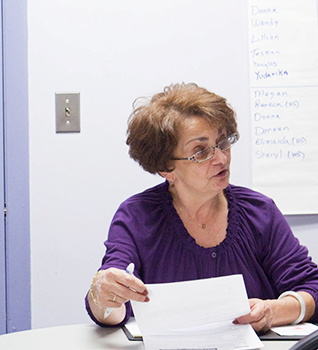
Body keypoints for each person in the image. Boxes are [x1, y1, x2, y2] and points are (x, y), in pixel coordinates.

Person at [86, 83, 318, 332]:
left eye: (223, 142)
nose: (221, 158)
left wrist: (273, 311)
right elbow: (111, 306)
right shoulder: (138, 216)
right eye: (201, 151)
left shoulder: (259, 211)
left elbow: (311, 288)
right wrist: (102, 294)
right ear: (166, 168)